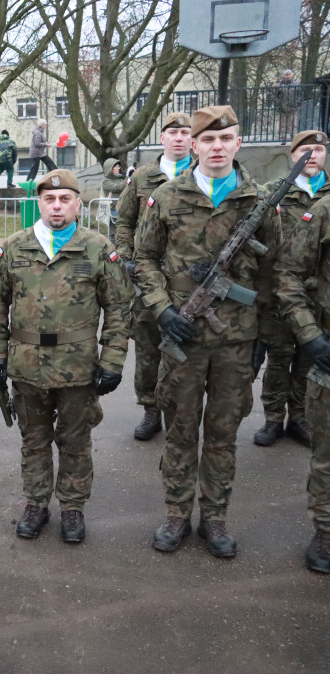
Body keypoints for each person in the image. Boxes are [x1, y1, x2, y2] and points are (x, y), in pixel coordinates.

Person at [136, 106, 281, 558]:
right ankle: (177, 514)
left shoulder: (260, 202)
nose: (217, 147)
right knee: (180, 429)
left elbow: (272, 274)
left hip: (235, 343)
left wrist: (264, 341)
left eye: (226, 139)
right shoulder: (167, 197)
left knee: (222, 435)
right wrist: (161, 311)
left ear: (238, 144)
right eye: (208, 140)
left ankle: (214, 517)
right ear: (194, 145)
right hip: (183, 338)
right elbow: (144, 260)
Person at [0, 169, 132, 543]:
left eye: (65, 199)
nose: (57, 206)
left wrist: (112, 361)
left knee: (76, 439)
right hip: (26, 366)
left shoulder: (98, 248)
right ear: (39, 203)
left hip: (78, 368)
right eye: (49, 199)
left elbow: (118, 309)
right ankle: (35, 504)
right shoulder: (14, 247)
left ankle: (72, 508)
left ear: (78, 203)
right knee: (33, 438)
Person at [114, 112, 193, 442]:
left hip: (188, 281)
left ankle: (181, 409)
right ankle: (150, 410)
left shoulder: (202, 175)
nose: (178, 137)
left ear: (192, 138)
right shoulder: (144, 176)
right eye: (172, 132)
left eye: (184, 132)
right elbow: (124, 222)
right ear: (162, 138)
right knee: (147, 349)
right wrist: (126, 258)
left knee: (185, 348)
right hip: (147, 279)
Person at [253, 130, 328, 449]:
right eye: (305, 150)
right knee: (279, 357)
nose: (313, 155)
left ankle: (299, 417)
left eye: (319, 150)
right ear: (293, 155)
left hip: (319, 296)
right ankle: (272, 418)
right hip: (277, 294)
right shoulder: (273, 193)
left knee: (310, 358)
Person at [274, 161, 330, 574]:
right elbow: (289, 275)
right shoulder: (324, 212)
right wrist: (310, 335)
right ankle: (326, 531)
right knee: (327, 456)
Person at [98, 158, 125, 235]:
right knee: (114, 232)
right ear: (110, 168)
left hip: (122, 208)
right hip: (112, 209)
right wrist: (128, 178)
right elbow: (118, 188)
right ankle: (112, 244)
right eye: (116, 166)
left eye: (118, 166)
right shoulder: (106, 181)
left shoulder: (120, 179)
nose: (118, 168)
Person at [274, 70, 300, 143]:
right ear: (283, 76)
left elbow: (299, 96)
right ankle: (283, 139)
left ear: (291, 75)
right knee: (283, 125)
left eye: (289, 74)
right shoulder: (278, 85)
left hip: (293, 108)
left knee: (293, 125)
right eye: (286, 75)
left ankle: (294, 139)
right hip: (282, 108)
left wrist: (296, 105)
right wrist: (279, 105)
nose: (288, 76)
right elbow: (275, 96)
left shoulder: (297, 84)